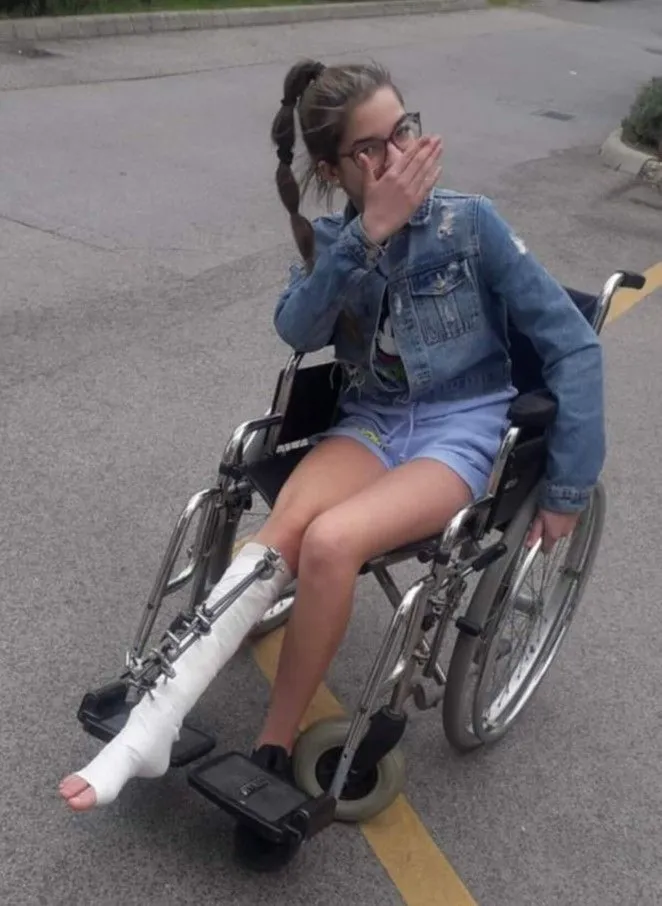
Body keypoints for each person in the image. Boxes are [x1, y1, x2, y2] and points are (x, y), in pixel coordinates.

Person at [59, 58, 605, 871]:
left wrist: (566, 486)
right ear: (333, 169)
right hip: (373, 423)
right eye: (372, 148)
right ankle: (156, 723)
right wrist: (367, 237)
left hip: (459, 429)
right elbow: (296, 327)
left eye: (404, 131)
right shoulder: (338, 243)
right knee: (283, 530)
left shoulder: (470, 225)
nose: (398, 156)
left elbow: (574, 347)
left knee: (332, 542)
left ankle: (272, 748)